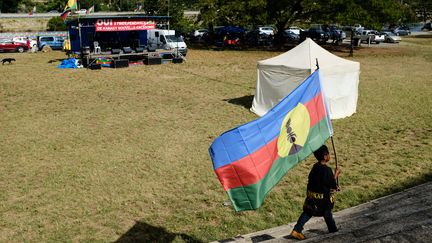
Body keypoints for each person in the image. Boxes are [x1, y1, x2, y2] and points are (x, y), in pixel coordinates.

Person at [290, 145, 341, 240]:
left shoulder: (315, 167)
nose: (329, 156)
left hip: (312, 199)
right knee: (327, 214)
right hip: (322, 201)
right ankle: (333, 231)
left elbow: (319, 182)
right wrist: (336, 174)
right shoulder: (327, 170)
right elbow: (332, 184)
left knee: (308, 212)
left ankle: (296, 230)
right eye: (328, 154)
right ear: (325, 157)